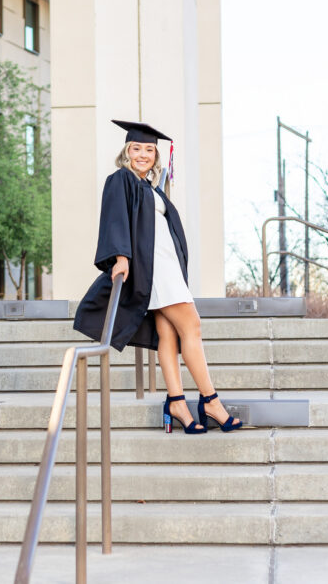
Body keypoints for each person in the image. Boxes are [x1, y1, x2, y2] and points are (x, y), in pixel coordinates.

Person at [73, 119, 241, 434]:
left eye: (149, 150)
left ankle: (177, 402)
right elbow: (115, 218)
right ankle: (210, 401)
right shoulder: (120, 179)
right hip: (154, 269)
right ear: (126, 151)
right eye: (136, 148)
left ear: (155, 156)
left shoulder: (150, 187)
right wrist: (120, 257)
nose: (142, 155)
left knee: (169, 334)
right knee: (192, 326)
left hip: (167, 267)